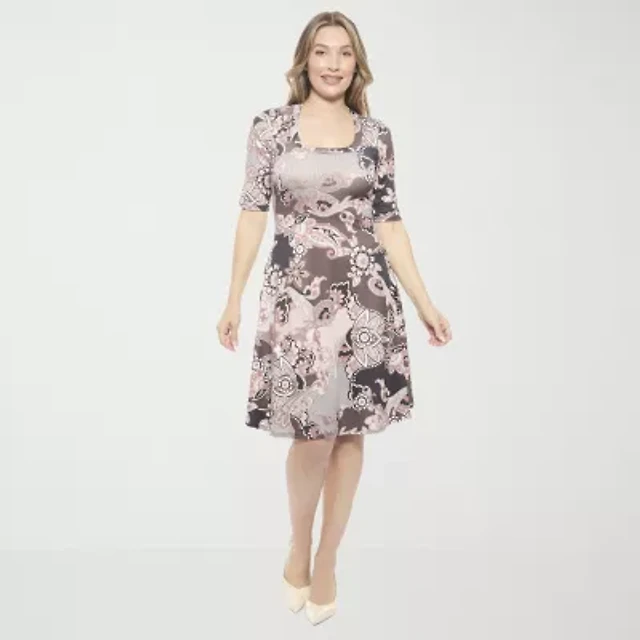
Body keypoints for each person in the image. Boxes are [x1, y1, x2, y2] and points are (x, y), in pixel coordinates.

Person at [217, 11, 452, 625]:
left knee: (349, 435)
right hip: (296, 303)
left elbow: (389, 224)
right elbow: (252, 212)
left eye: (344, 53)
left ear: (357, 64)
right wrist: (233, 296)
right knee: (311, 434)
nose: (332, 63)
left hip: (366, 300)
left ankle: (326, 560)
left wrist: (425, 303)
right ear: (305, 59)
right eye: (322, 51)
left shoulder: (376, 135)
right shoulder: (271, 128)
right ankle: (299, 544)